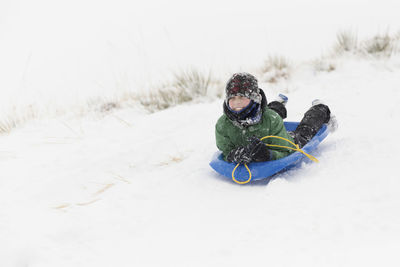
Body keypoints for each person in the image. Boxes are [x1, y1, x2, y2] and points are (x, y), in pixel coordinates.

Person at [215, 72, 332, 164]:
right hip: (266, 123)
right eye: (233, 98)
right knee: (266, 115)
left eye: (242, 97)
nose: (237, 103)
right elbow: (225, 152)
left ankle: (319, 108)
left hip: (288, 141)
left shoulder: (272, 119)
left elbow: (288, 151)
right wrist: (232, 155)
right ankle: (278, 103)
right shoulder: (223, 125)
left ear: (254, 98)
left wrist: (269, 155)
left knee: (303, 132)